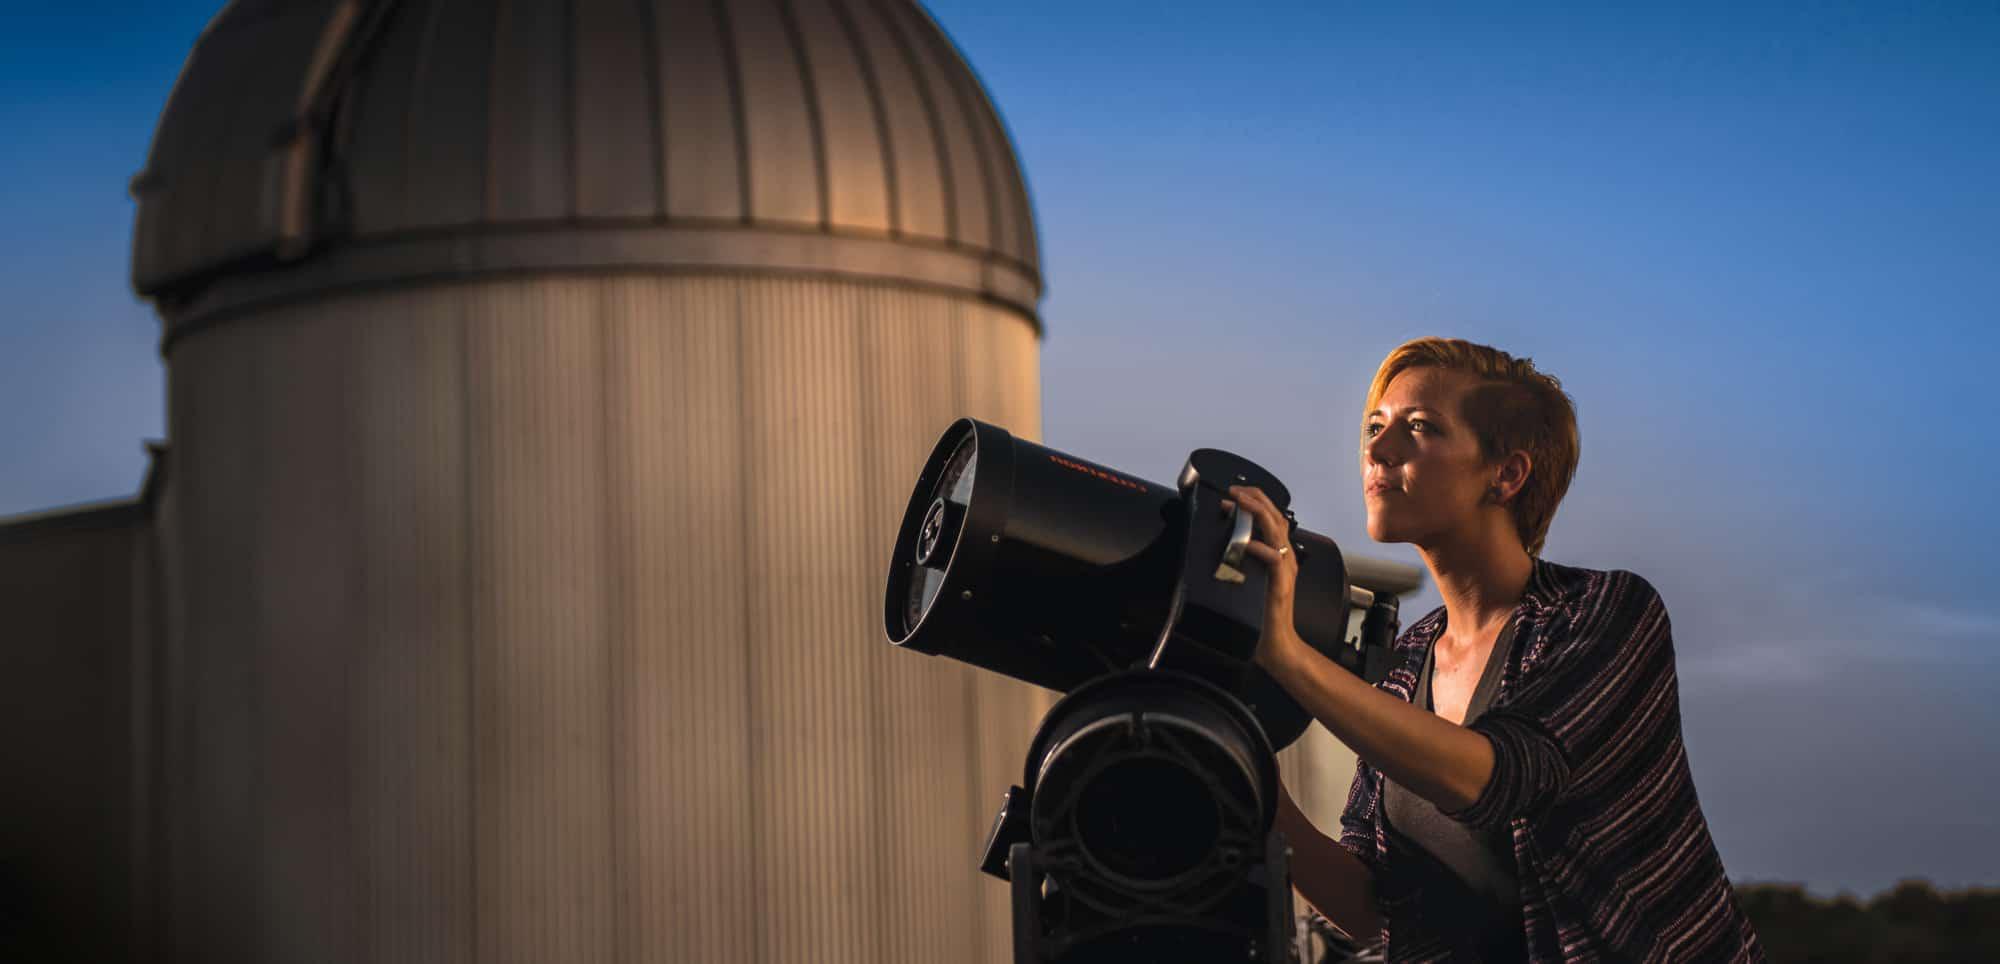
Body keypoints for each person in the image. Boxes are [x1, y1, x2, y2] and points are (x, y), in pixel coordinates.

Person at [1223, 337, 1764, 962]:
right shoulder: (1407, 663)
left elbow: (1499, 776)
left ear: (1506, 474)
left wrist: (1288, 656)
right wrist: (1251, 781)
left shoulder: (1605, 612)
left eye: (1419, 428)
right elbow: (1374, 911)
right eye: (1375, 426)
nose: (1376, 450)